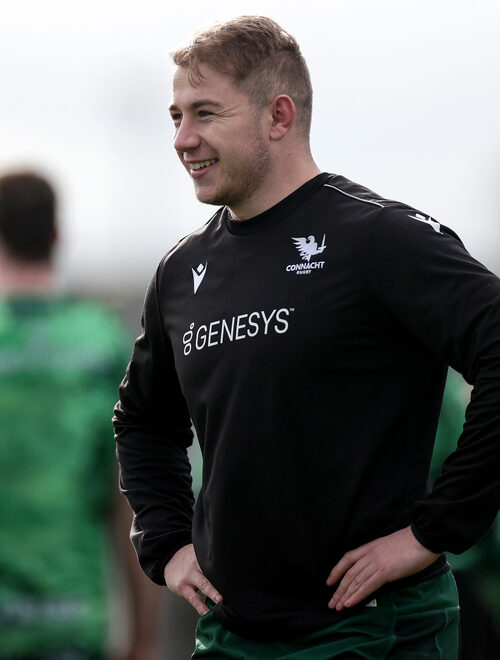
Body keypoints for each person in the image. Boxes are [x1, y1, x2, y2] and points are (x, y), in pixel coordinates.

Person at [113, 16, 500, 659]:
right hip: (230, 636)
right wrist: (168, 543)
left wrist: (433, 532)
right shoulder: (181, 271)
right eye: (176, 116)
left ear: (279, 116)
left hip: (372, 631)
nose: (183, 139)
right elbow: (142, 421)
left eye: (205, 113)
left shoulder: (379, 238)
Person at [0, 171, 160, 660]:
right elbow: (133, 497)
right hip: (74, 621)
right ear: (56, 237)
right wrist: (143, 638)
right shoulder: (100, 342)